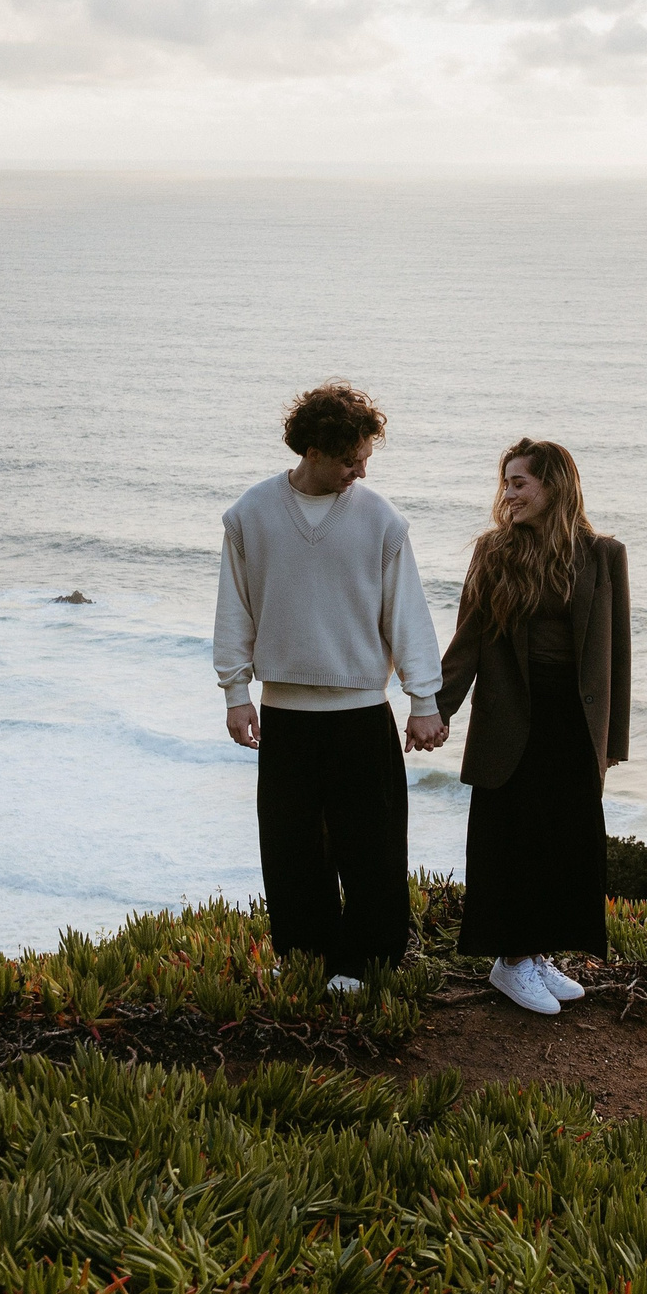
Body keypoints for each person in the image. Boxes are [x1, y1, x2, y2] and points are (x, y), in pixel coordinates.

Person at [215, 383, 448, 994]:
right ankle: (307, 959)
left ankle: (366, 965)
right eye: (351, 460)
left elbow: (408, 615)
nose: (361, 472)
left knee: (373, 850)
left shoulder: (381, 520)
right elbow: (234, 612)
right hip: (285, 714)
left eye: (365, 458)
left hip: (361, 713)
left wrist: (423, 701)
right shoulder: (250, 514)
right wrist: (236, 693)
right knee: (290, 850)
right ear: (313, 451)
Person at [436, 438, 629, 1015]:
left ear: (554, 485)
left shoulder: (603, 554)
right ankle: (511, 960)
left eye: (519, 482)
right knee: (510, 837)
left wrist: (611, 740)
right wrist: (437, 707)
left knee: (563, 840)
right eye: (506, 483)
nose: (509, 493)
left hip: (575, 719)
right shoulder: (494, 551)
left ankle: (536, 952)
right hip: (511, 717)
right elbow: (468, 637)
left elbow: (617, 655)